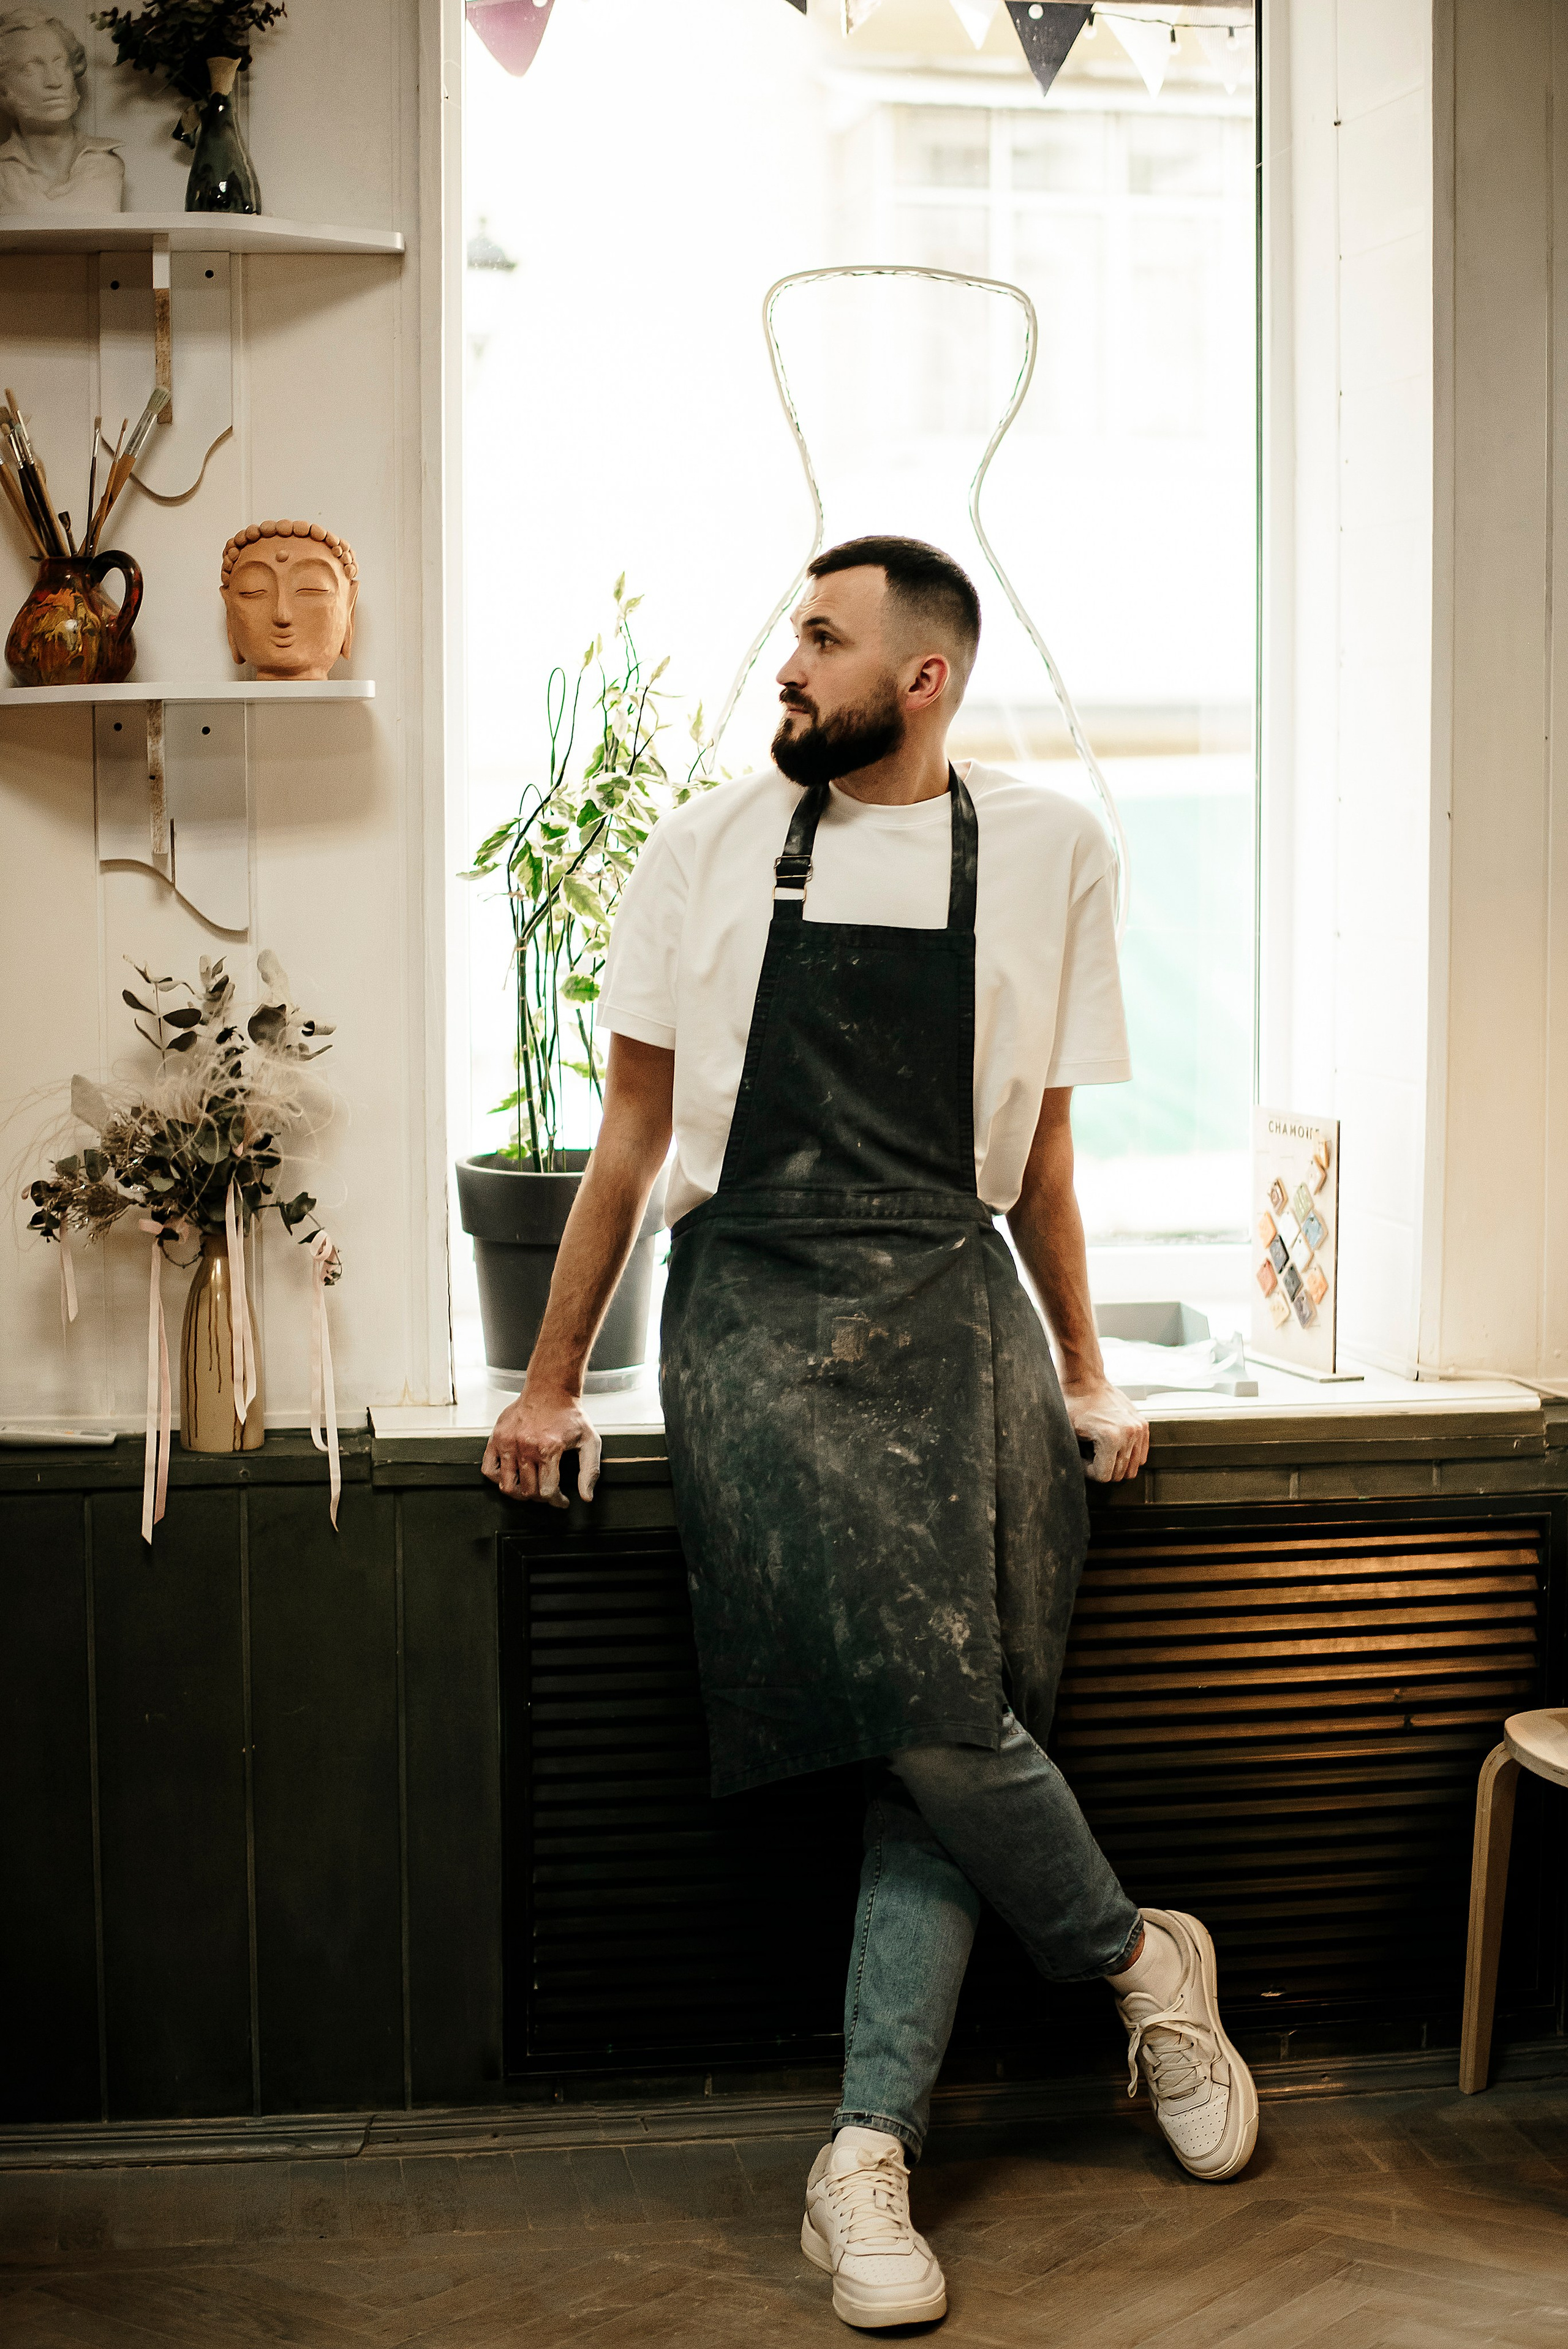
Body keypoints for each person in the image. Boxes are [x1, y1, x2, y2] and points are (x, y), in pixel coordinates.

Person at [483, 537, 1258, 2332]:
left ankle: (863, 2158)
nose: (786, 666)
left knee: (953, 1715)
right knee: (925, 1698)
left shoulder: (1053, 849)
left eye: (820, 640)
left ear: (922, 678)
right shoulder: (703, 850)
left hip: (959, 1298)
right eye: (789, 636)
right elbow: (626, 1140)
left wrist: (1083, 1368)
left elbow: (1046, 1155)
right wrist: (543, 1379)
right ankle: (1140, 1963)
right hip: (751, 1308)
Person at [0, 7, 124, 215]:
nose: (54, 82)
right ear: (3, 85)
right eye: (31, 68)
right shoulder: (4, 171)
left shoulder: (105, 164)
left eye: (61, 64)